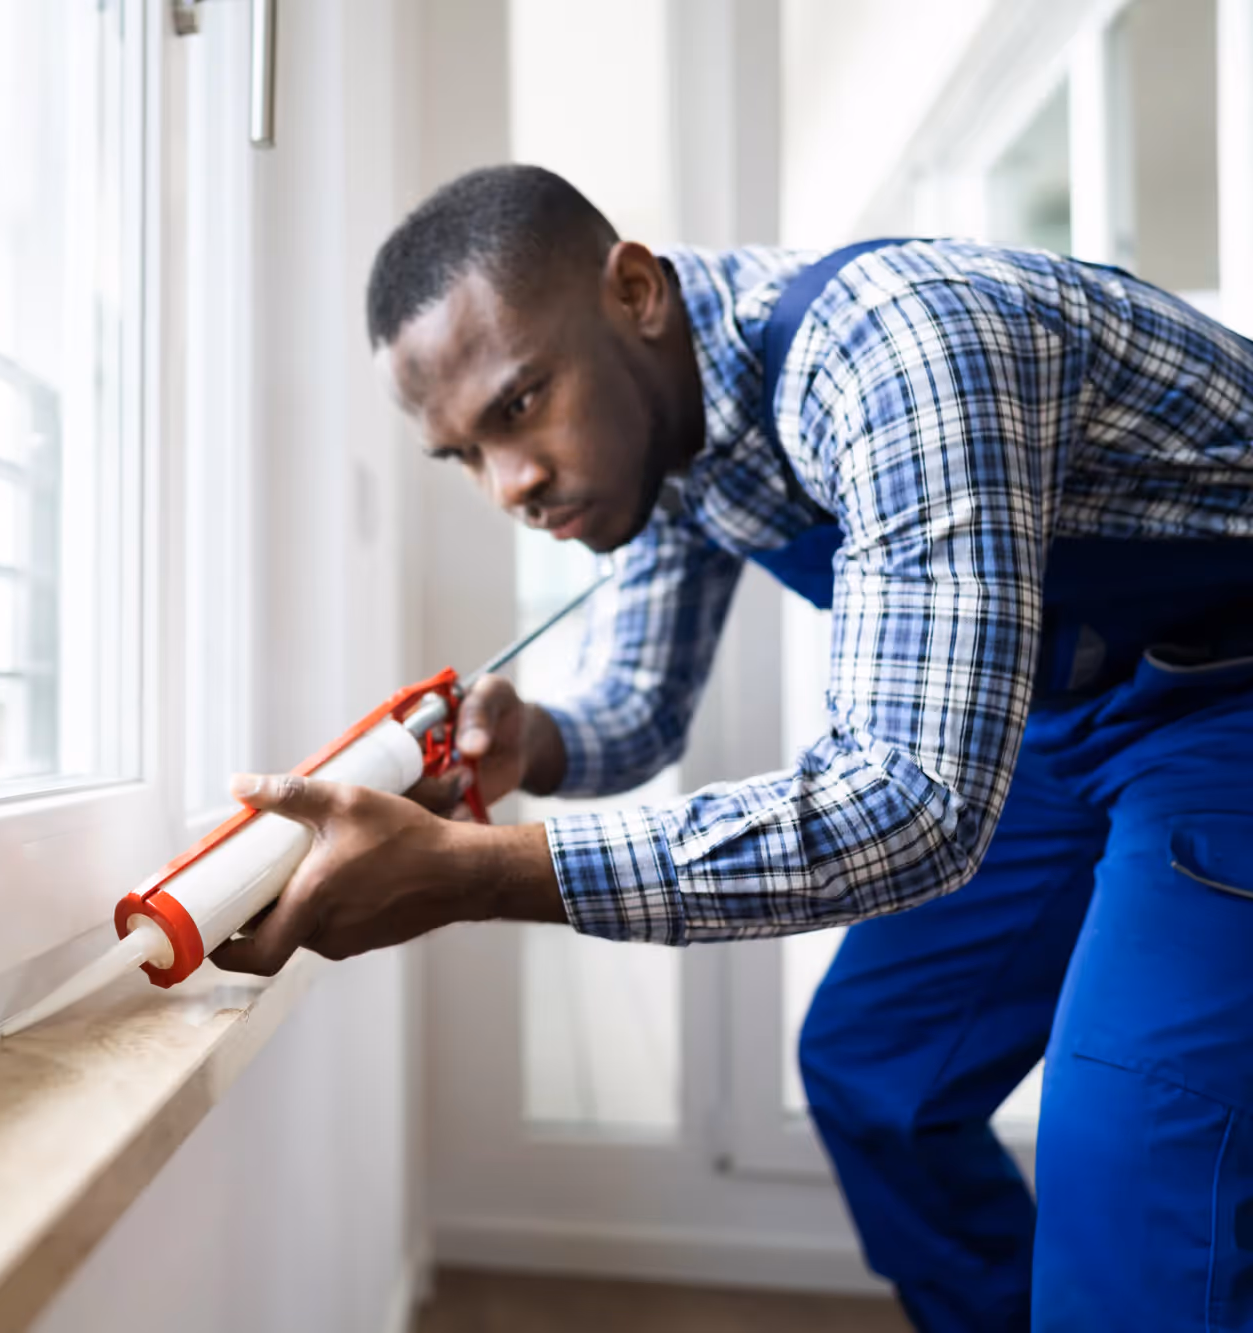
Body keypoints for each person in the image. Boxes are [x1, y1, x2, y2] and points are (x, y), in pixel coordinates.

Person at [208, 164, 1253, 1332]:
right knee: (877, 1076)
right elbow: (641, 704)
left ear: (635, 292)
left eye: (517, 406)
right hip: (1059, 715)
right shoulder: (666, 438)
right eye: (459, 453)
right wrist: (530, 744)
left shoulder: (894, 348)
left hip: (1230, 700)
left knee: (1136, 1156)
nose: (508, 484)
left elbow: (907, 804)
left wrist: (473, 876)